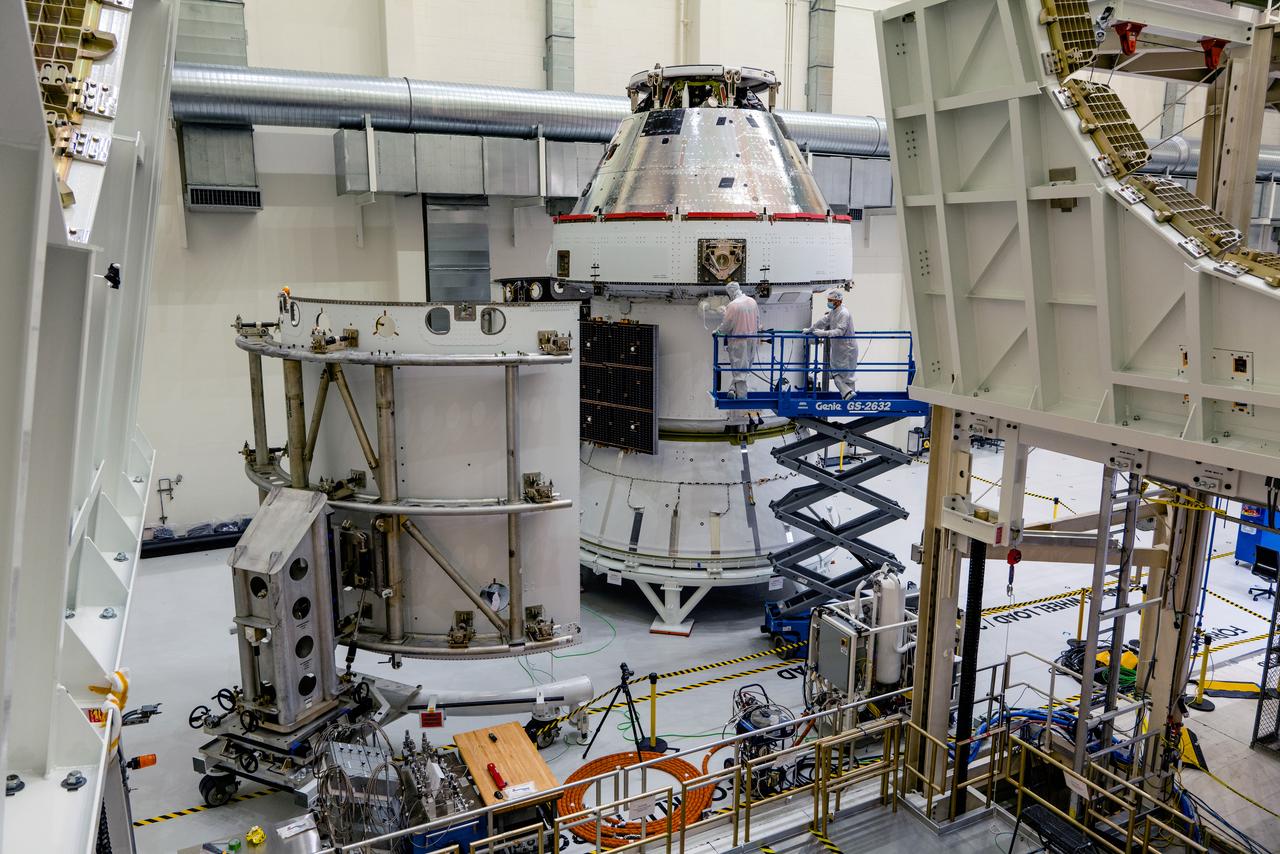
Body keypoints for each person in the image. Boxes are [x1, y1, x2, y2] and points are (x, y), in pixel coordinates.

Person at [806, 289, 857, 399]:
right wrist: (811, 329)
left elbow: (840, 331)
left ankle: (849, 394)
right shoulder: (834, 312)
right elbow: (823, 321)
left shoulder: (844, 313)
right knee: (837, 371)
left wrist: (823, 333)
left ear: (838, 301)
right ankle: (849, 394)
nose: (828, 302)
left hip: (846, 349)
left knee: (843, 375)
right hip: (839, 348)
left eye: (831, 300)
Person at [715, 282, 759, 399]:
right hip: (753, 339)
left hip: (739, 341)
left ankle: (741, 397)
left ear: (730, 292)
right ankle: (732, 389)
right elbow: (757, 320)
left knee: (739, 370)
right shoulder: (752, 302)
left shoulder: (733, 305)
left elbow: (726, 325)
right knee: (746, 367)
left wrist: (717, 331)